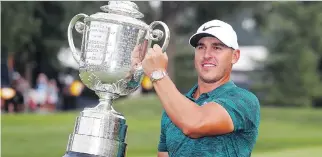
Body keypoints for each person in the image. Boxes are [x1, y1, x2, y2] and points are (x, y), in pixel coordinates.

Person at [141, 19, 261, 157]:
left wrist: (157, 73)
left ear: (235, 56)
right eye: (201, 47)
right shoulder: (172, 109)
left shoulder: (244, 100)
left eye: (217, 47)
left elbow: (195, 123)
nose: (207, 55)